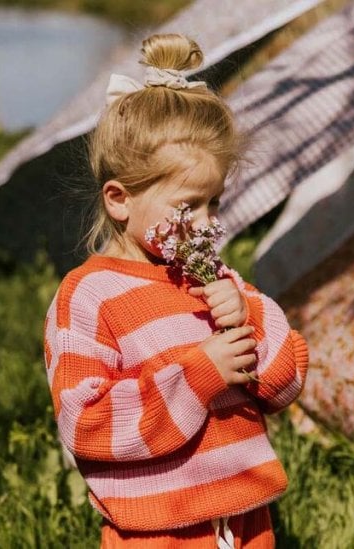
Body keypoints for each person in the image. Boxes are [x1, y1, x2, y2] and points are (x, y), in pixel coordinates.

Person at [41, 33, 310, 548]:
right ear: (119, 199)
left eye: (215, 202)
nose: (207, 224)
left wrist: (249, 319)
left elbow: (287, 382)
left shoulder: (213, 279)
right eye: (189, 206)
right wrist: (197, 377)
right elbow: (87, 424)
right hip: (159, 531)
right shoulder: (89, 297)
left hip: (247, 521)